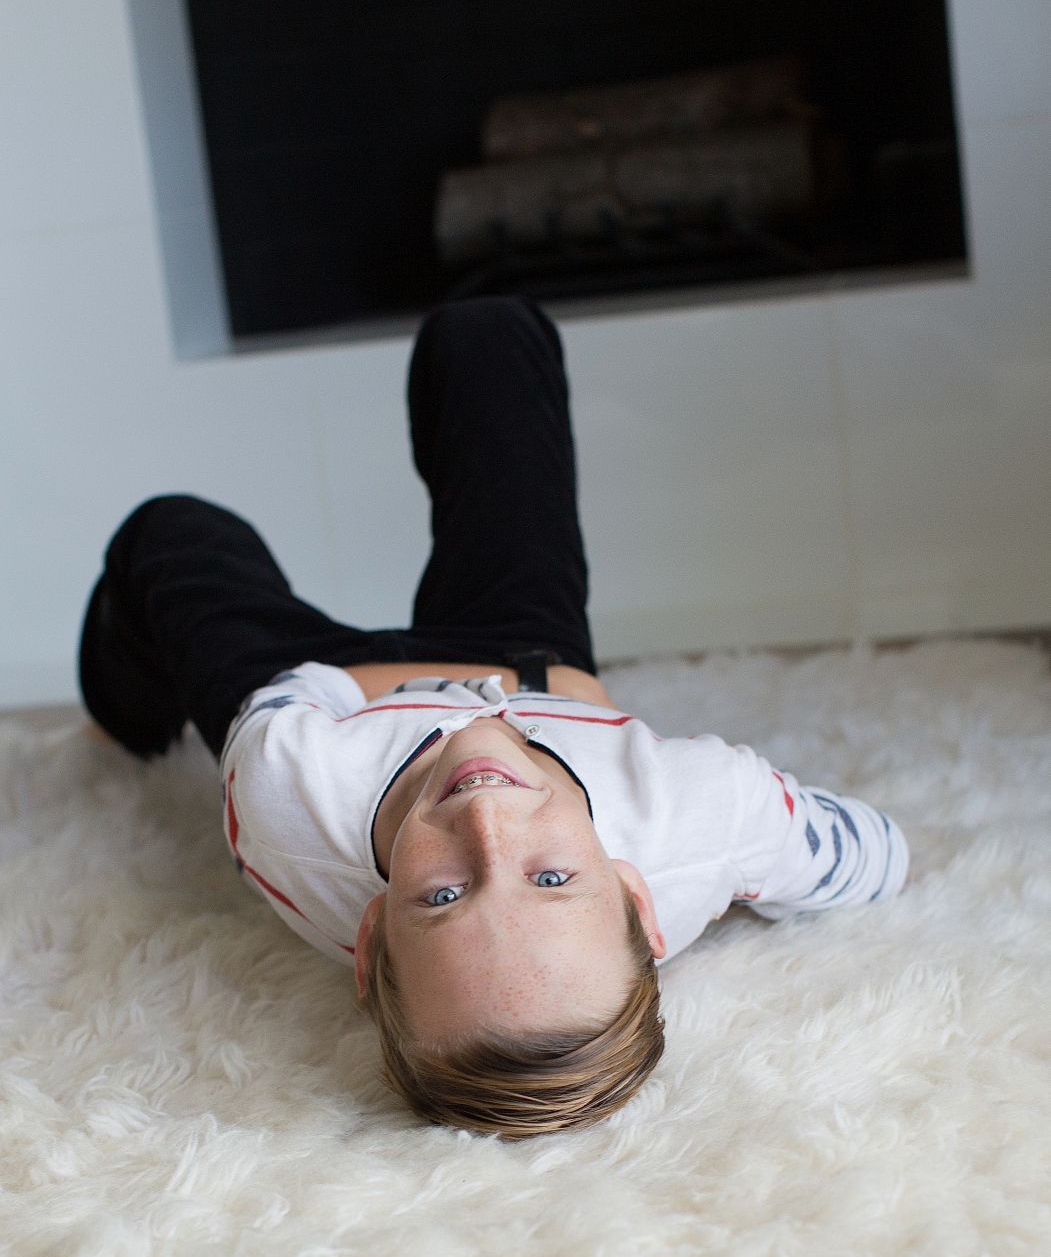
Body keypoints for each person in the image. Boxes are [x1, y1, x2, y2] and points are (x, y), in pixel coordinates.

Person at [78, 296, 909, 1140]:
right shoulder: (697, 819)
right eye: (551, 879)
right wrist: (758, 877)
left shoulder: (290, 802)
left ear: (371, 942)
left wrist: (494, 689)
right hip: (527, 651)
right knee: (487, 336)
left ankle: (123, 715)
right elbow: (876, 856)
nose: (486, 822)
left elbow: (306, 688)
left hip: (337, 695)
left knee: (172, 535)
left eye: (442, 894)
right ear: (636, 897)